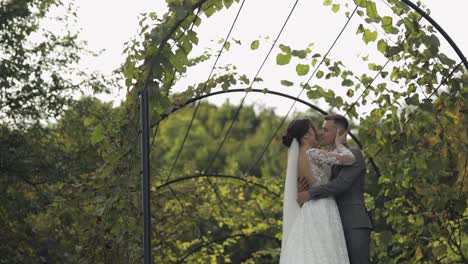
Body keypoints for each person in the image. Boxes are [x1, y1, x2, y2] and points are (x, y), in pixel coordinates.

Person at [297, 114, 373, 264]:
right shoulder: (323, 157)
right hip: (329, 221)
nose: (321, 133)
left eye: (326, 130)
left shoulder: (354, 155)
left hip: (353, 223)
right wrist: (302, 188)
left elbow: (340, 184)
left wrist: (310, 193)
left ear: (339, 133)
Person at [279, 118, 355, 263]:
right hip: (324, 207)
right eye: (315, 130)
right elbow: (350, 159)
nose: (319, 133)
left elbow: (299, 192)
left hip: (308, 210)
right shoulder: (313, 153)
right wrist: (339, 144)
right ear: (307, 135)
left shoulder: (296, 160)